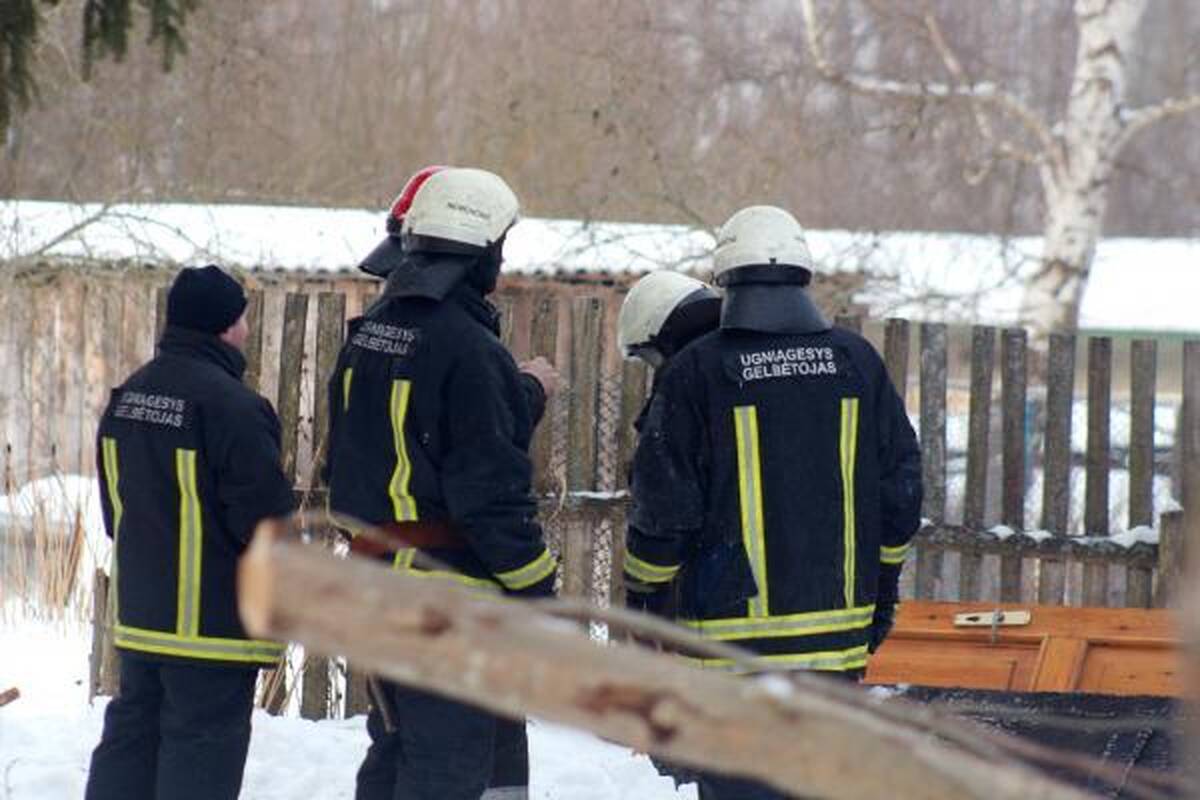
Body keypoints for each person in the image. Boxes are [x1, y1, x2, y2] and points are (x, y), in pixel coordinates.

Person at [627, 206, 923, 799]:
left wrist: (644, 600)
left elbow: (664, 513)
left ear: (725, 280)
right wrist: (882, 593)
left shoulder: (696, 372)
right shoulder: (856, 361)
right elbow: (901, 493)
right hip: (835, 649)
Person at [324, 166, 559, 800]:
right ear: (482, 252)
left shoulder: (368, 336)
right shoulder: (470, 350)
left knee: (397, 746)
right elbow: (489, 493)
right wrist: (538, 585)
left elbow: (354, 462)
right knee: (447, 768)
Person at [85, 265, 298, 800]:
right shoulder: (235, 407)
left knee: (130, 747)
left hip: (140, 622)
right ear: (226, 326)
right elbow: (265, 526)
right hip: (213, 632)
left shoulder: (127, 396)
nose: (247, 330)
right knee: (199, 761)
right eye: (244, 319)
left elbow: (117, 515)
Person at [616, 270, 721, 620]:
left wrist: (643, 593)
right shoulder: (741, 372)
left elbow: (664, 508)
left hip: (709, 594)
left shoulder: (685, 384)